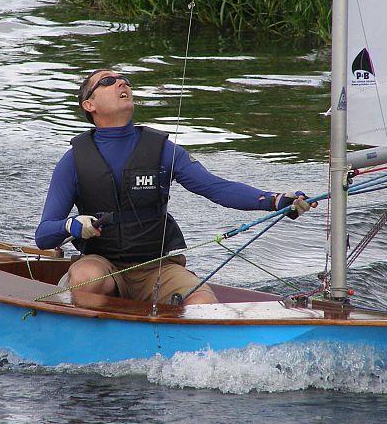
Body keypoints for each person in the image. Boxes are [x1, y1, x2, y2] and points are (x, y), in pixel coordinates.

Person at [35, 69, 315, 306]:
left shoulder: (163, 151)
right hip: (101, 266)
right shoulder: (73, 161)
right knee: (85, 276)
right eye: (108, 81)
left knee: (203, 305)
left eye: (124, 80)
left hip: (157, 268)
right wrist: (71, 225)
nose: (122, 83)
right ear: (89, 105)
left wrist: (276, 200)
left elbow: (215, 187)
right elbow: (44, 235)